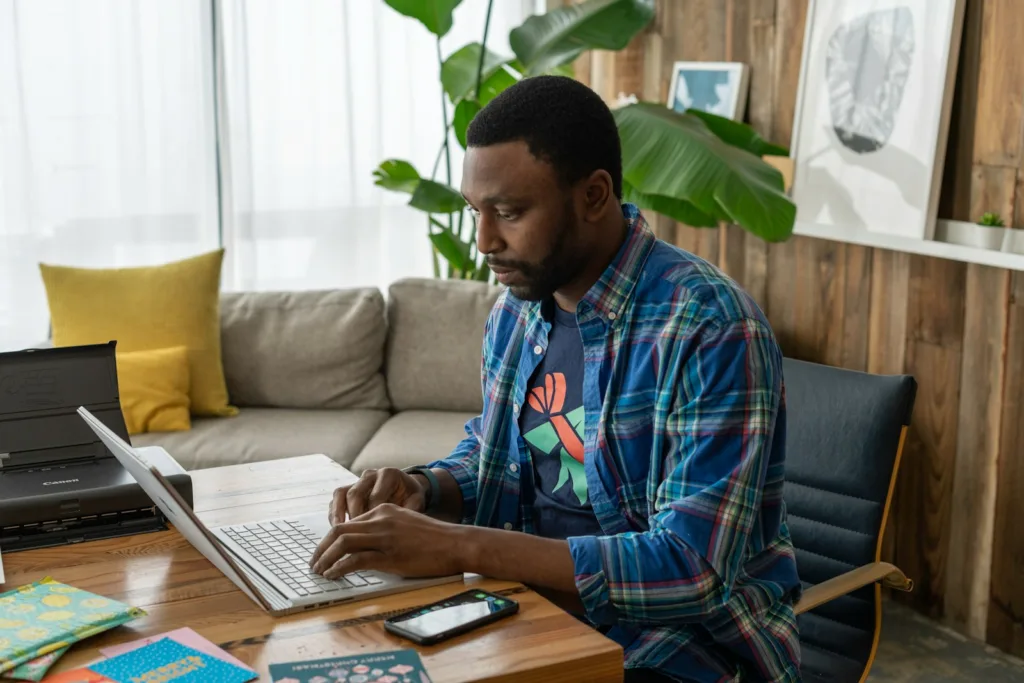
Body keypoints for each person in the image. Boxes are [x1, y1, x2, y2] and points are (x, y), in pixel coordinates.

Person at [310, 75, 801, 682]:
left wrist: (459, 546)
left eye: (510, 213)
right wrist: (426, 490)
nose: (485, 241)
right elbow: (504, 457)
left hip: (681, 651)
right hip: (528, 612)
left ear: (594, 196)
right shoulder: (516, 312)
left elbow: (692, 569)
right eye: (475, 212)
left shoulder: (710, 327)